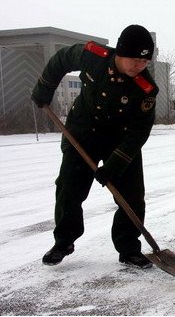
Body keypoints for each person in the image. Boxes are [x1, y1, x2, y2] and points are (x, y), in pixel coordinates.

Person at [31, 25, 159, 269]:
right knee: (69, 188)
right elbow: (61, 59)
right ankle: (63, 242)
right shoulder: (92, 56)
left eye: (144, 61)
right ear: (120, 53)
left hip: (120, 140)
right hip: (83, 132)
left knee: (132, 197)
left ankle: (129, 249)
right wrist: (44, 87)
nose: (139, 66)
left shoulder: (146, 89)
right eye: (134, 59)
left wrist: (115, 164)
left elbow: (139, 132)